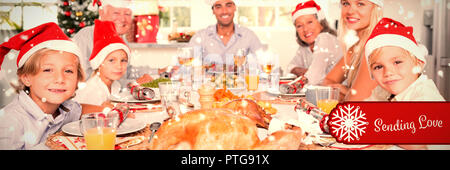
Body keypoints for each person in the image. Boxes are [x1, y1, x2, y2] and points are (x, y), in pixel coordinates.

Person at [363, 18, 445, 150]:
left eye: (397, 62)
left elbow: (419, 141)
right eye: (378, 67)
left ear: (418, 63)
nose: (388, 72)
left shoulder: (425, 94)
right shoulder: (382, 92)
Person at [0, 22, 85, 149]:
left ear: (77, 78)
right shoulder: (10, 122)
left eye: (68, 71)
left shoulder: (70, 109)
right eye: (47, 70)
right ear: (26, 78)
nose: (60, 79)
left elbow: (86, 111)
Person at [72, 0, 162, 86]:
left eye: (127, 14)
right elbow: (83, 81)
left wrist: (158, 71)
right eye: (116, 13)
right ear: (101, 13)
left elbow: (127, 71)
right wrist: (132, 84)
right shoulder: (85, 37)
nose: (122, 19)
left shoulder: (119, 38)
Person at [321, 0, 383, 101]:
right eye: (346, 3)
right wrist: (348, 93)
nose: (350, 11)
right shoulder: (355, 48)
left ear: (376, 8)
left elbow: (355, 103)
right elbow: (327, 81)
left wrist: (346, 91)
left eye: (360, 4)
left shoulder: (376, 46)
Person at [73, 20, 130, 112]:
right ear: (98, 63)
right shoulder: (92, 91)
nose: (119, 66)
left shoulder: (115, 85)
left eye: (123, 60)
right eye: (111, 60)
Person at [188, 0, 264, 67]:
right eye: (218, 7)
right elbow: (185, 68)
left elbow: (262, 66)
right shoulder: (201, 37)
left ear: (235, 8)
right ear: (213, 11)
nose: (224, 11)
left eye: (228, 6)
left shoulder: (248, 36)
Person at [287, 0, 343, 85]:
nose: (305, 29)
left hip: (339, 96)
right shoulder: (304, 48)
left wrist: (306, 73)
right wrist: (306, 72)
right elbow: (290, 67)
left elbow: (313, 79)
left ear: (321, 23)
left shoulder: (325, 38)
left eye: (310, 22)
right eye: (299, 26)